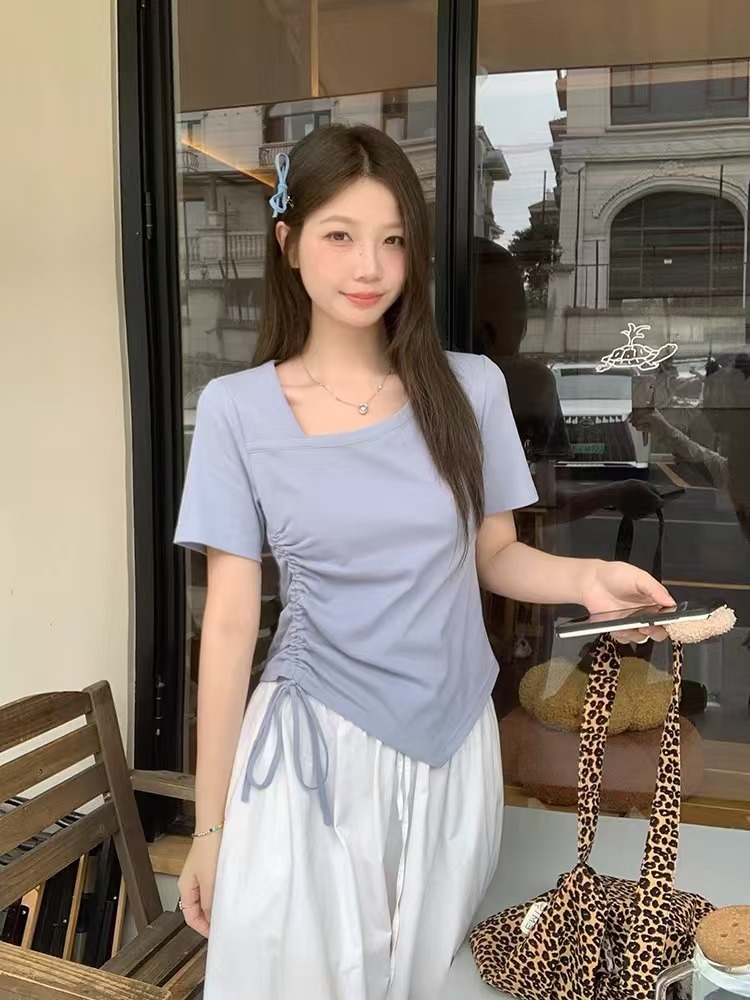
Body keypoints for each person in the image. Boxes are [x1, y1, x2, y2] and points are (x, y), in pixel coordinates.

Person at [172, 124, 671, 1000]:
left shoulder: (469, 388)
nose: (369, 266)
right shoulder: (236, 410)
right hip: (313, 754)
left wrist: (586, 580)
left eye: (393, 239)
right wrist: (209, 829)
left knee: (424, 978)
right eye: (340, 235)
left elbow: (497, 555)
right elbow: (228, 624)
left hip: (451, 747)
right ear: (289, 243)